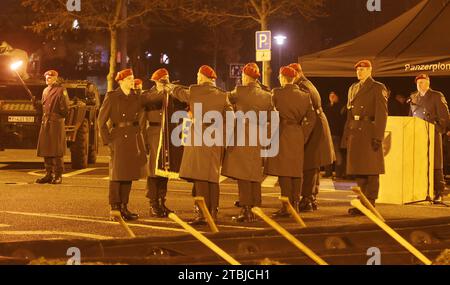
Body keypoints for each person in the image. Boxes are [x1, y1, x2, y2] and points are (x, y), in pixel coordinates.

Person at [167, 65, 233, 225]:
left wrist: (170, 87)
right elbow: (230, 118)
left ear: (203, 77)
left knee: (200, 177)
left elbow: (181, 94)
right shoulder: (223, 95)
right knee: (212, 178)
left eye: (198, 75)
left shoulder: (196, 91)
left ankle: (203, 214)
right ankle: (213, 212)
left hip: (199, 138)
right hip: (216, 139)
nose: (197, 77)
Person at [98, 68, 157, 221]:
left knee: (128, 175)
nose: (132, 81)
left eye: (132, 78)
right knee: (117, 176)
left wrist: (164, 89)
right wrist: (108, 140)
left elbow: (151, 98)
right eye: (130, 79)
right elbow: (101, 121)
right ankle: (115, 208)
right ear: (122, 81)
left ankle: (124, 206)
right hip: (118, 137)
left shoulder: (136, 97)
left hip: (132, 138)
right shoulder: (112, 97)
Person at [221, 63, 273, 223]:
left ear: (245, 76)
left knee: (242, 174)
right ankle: (256, 207)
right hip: (258, 134)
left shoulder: (241, 91)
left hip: (243, 134)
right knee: (254, 173)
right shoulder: (266, 95)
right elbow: (271, 116)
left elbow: (225, 98)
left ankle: (246, 209)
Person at [265, 66, 315, 217]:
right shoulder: (304, 95)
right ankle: (295, 205)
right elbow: (312, 118)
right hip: (297, 133)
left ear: (282, 77)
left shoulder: (277, 93)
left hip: (282, 132)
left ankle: (286, 206)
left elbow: (269, 113)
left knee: (284, 172)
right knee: (296, 172)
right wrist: (303, 134)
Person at [342, 60, 388, 216]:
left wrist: (378, 136)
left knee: (371, 171)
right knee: (359, 170)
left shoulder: (377, 87)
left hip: (369, 130)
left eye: (363, 69)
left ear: (370, 70)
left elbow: (382, 114)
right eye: (358, 70)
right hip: (355, 130)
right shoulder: (353, 88)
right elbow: (349, 114)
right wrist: (346, 135)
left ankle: (370, 202)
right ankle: (362, 202)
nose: (359, 72)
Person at [288, 63, 335, 212]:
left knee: (309, 164)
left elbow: (307, 113)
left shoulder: (303, 87)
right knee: (313, 165)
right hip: (318, 124)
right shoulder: (307, 84)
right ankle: (311, 197)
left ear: (296, 74)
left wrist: (302, 135)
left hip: (314, 127)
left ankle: (307, 198)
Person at [141, 68, 186, 217]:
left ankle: (161, 201)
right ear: (155, 81)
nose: (165, 83)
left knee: (165, 169)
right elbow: (152, 99)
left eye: (167, 80)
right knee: (154, 171)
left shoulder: (169, 93)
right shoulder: (149, 94)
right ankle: (153, 203)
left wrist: (173, 89)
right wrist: (167, 90)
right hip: (154, 134)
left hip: (167, 133)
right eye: (162, 81)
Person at [409, 74, 450, 202]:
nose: (419, 84)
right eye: (418, 82)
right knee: (420, 162)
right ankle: (422, 189)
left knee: (435, 161)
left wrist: (438, 129)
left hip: (432, 132)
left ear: (428, 82)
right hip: (417, 134)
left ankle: (439, 191)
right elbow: (411, 115)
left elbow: (444, 114)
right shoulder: (413, 97)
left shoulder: (436, 95)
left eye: (422, 82)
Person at [35, 70, 70, 185]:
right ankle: (48, 174)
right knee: (46, 149)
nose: (48, 79)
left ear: (56, 78)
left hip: (56, 123)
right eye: (46, 77)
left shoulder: (61, 90)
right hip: (46, 122)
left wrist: (57, 118)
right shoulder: (45, 91)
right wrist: (36, 104)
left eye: (50, 77)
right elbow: (43, 108)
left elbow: (65, 109)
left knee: (56, 150)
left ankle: (58, 175)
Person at [323, 91, 346, 179]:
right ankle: (328, 172)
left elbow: (341, 121)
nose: (331, 97)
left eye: (333, 96)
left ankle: (338, 173)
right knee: (327, 153)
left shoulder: (341, 108)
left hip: (336, 134)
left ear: (337, 97)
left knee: (337, 153)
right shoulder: (327, 107)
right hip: (327, 133)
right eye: (330, 95)